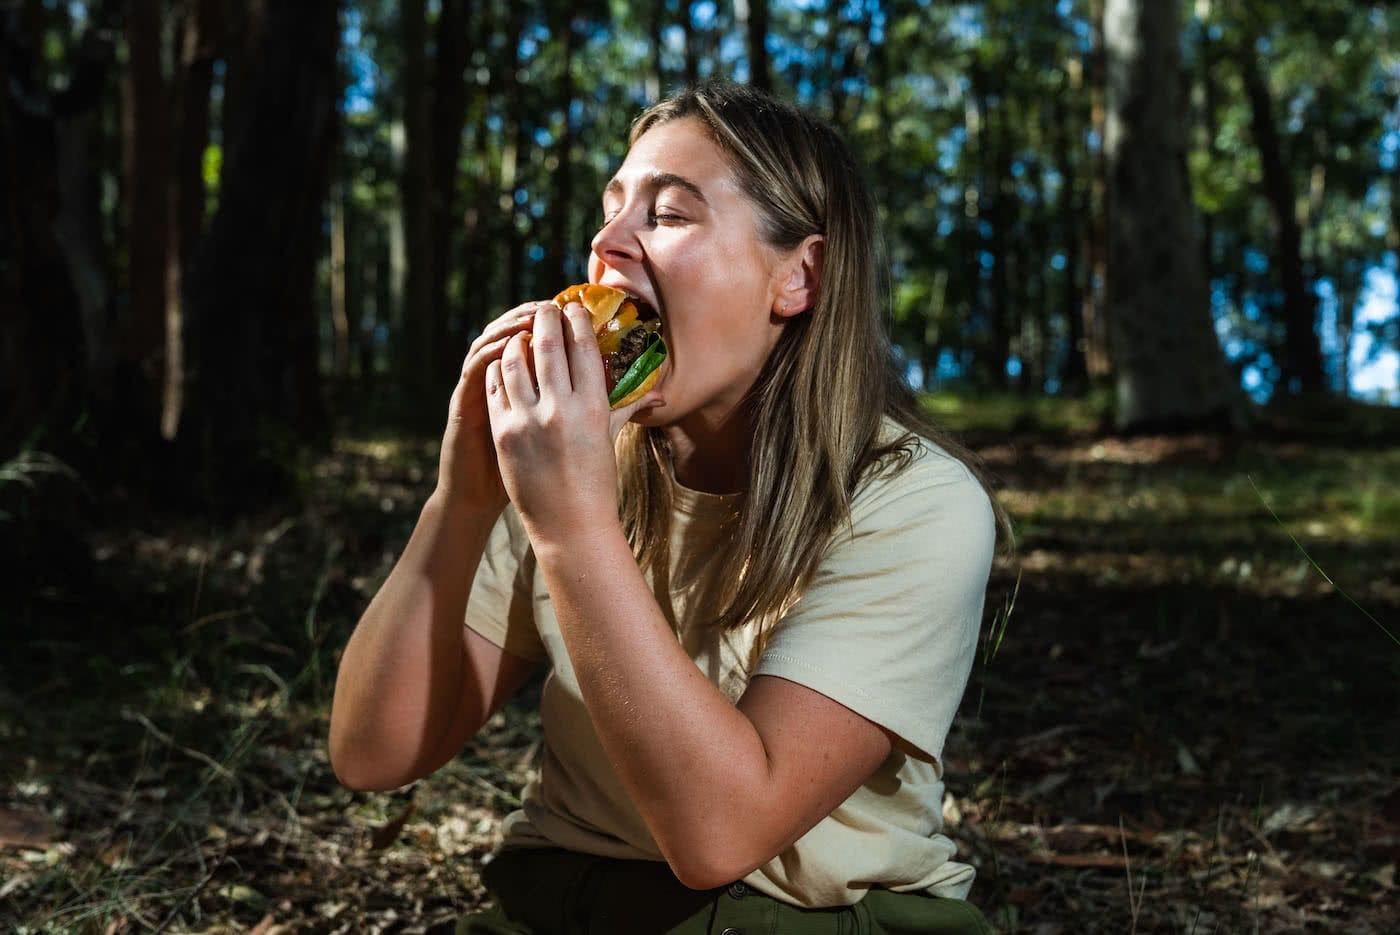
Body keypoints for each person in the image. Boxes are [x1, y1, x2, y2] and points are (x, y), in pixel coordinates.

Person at [329, 81, 1010, 934]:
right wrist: (461, 497)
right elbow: (373, 752)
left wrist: (575, 528)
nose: (606, 243)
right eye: (612, 210)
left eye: (669, 215)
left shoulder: (920, 502)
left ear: (800, 275)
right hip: (566, 904)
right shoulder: (568, 463)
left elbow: (722, 834)